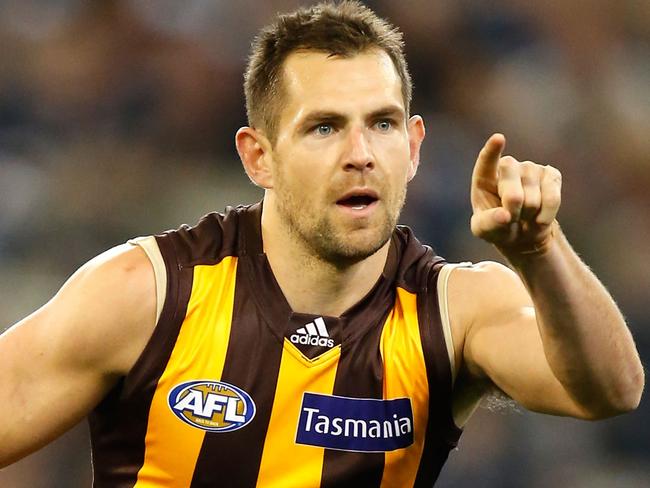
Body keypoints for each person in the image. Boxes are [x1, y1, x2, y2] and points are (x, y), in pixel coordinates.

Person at [0, 1, 644, 487]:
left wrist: (540, 252)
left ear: (414, 146)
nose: (360, 155)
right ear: (260, 157)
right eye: (324, 128)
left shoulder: (455, 309)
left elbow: (611, 392)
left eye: (382, 125)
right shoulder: (147, 293)